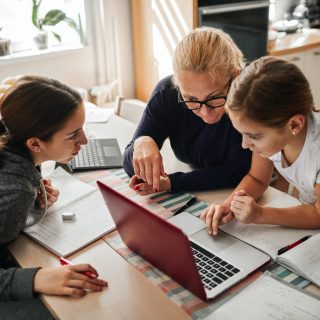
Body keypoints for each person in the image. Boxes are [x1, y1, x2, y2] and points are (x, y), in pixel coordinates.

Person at [0, 76, 108, 320]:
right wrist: (35, 278)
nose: (84, 141)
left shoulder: (13, 147)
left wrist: (32, 188)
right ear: (35, 144)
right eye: (72, 135)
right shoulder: (14, 192)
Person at [122, 27, 252, 195]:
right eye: (191, 99)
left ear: (235, 76)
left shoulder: (247, 99)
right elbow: (128, 165)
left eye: (215, 97)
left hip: (241, 191)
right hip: (206, 188)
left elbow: (234, 172)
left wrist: (172, 183)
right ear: (177, 84)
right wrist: (141, 142)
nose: (205, 112)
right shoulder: (166, 94)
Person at [201, 56, 320, 235]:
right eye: (242, 134)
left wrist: (260, 214)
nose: (244, 144)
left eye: (253, 136)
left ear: (295, 124)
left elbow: (318, 214)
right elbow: (257, 178)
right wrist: (229, 206)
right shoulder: (275, 135)